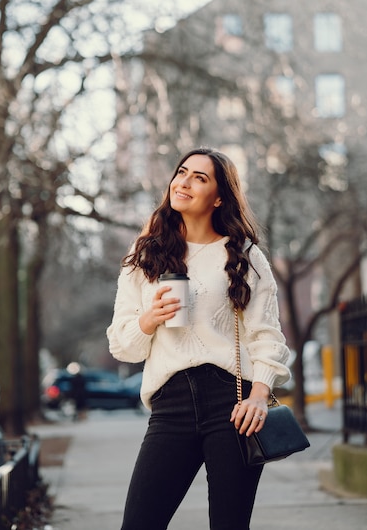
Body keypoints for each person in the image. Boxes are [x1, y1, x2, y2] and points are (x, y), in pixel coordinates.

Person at [107, 147, 291, 530]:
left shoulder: (244, 256)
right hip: (170, 402)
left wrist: (259, 395)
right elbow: (123, 345)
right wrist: (149, 320)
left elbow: (267, 335)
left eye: (199, 178)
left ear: (219, 197)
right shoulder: (145, 255)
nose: (184, 182)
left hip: (232, 402)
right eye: (182, 172)